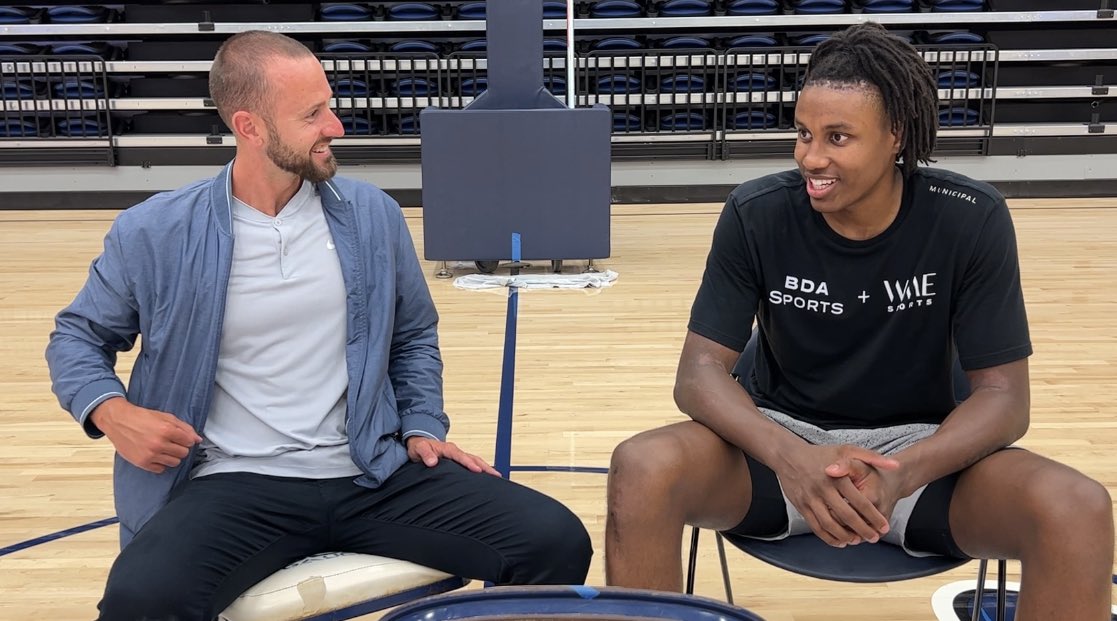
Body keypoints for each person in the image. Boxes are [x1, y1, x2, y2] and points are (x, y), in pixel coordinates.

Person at [46, 30, 591, 620]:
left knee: (554, 541)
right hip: (234, 485)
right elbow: (76, 337)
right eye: (313, 114)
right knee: (139, 600)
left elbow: (413, 336)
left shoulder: (372, 215)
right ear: (249, 127)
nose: (336, 126)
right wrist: (112, 412)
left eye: (330, 104)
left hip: (370, 471)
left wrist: (422, 422)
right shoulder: (153, 232)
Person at [605, 22, 1112, 619]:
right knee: (641, 468)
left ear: (896, 135)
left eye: (838, 138)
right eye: (803, 134)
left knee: (1077, 506)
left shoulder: (971, 219)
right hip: (777, 444)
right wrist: (793, 458)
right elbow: (698, 375)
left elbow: (1004, 398)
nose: (811, 158)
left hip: (923, 455)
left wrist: (903, 473)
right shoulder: (756, 213)